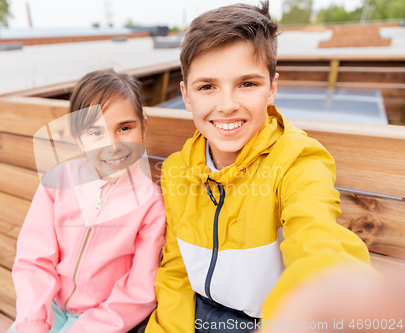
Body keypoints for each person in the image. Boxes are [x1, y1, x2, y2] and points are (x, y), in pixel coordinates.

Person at [144, 2, 375, 332]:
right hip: (192, 313)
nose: (227, 105)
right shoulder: (177, 169)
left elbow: (318, 241)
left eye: (247, 84)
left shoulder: (298, 161)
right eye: (207, 86)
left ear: (272, 87)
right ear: (186, 94)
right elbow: (175, 270)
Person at [7, 69, 166, 333]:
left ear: (143, 128)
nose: (113, 145)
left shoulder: (150, 203)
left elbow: (139, 288)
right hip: (48, 307)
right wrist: (33, 321)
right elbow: (34, 257)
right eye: (96, 133)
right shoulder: (58, 182)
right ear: (78, 137)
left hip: (103, 319)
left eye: (125, 128)